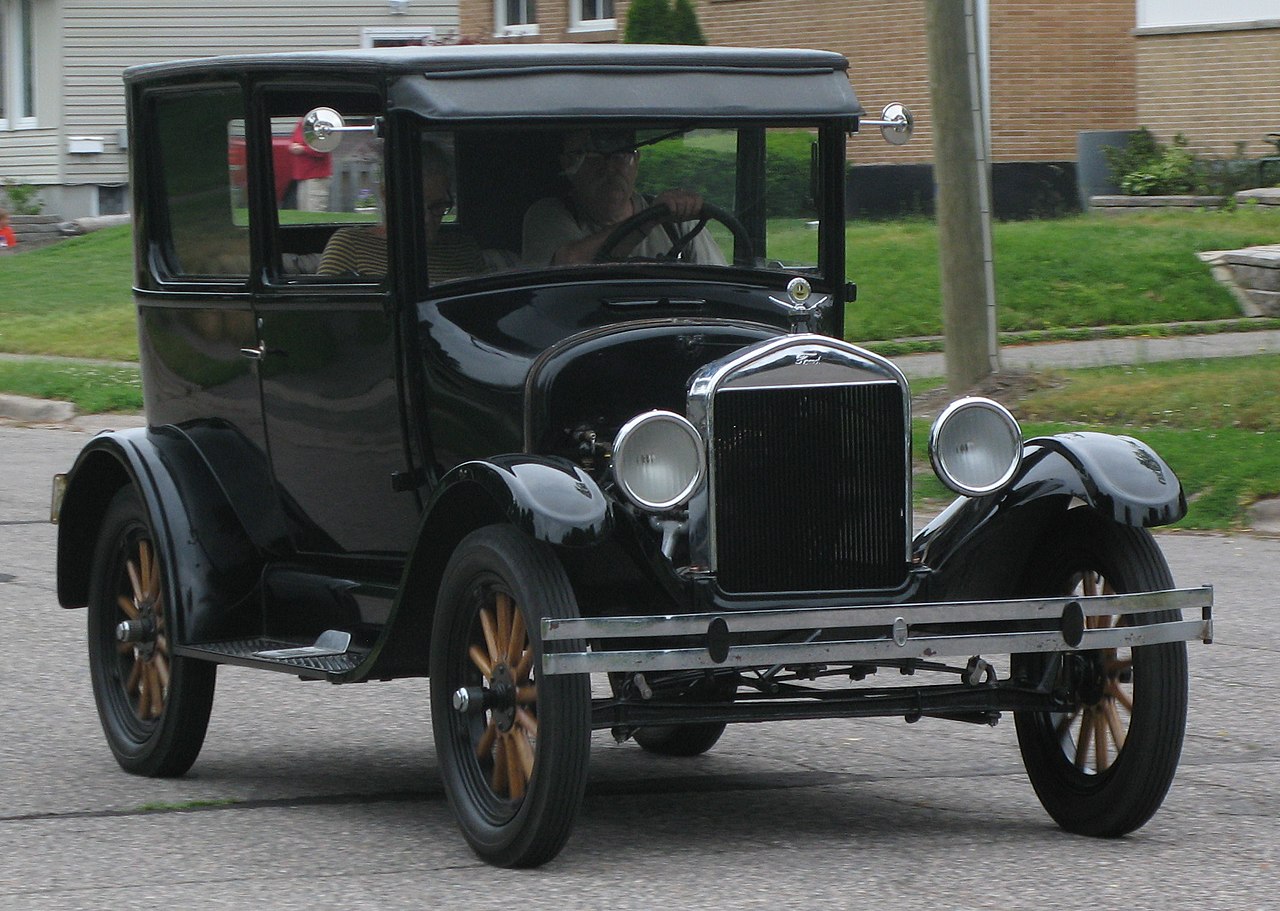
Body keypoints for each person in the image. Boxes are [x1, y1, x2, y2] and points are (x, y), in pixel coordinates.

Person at [522, 129, 726, 267]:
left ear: (636, 161)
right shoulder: (550, 214)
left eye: (621, 155)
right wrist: (650, 219)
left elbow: (719, 285)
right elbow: (567, 266)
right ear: (569, 165)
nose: (609, 168)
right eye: (593, 157)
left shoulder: (677, 225)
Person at [318, 143, 489, 283]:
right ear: (387, 196)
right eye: (414, 206)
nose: (427, 219)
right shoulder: (350, 246)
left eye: (437, 206)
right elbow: (328, 315)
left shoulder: (464, 249)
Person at [289, 118, 333, 212]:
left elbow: (323, 149)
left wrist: (303, 149)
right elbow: (294, 141)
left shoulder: (320, 124)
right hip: (302, 176)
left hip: (317, 177)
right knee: (303, 213)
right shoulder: (301, 123)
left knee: (315, 211)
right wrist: (293, 147)